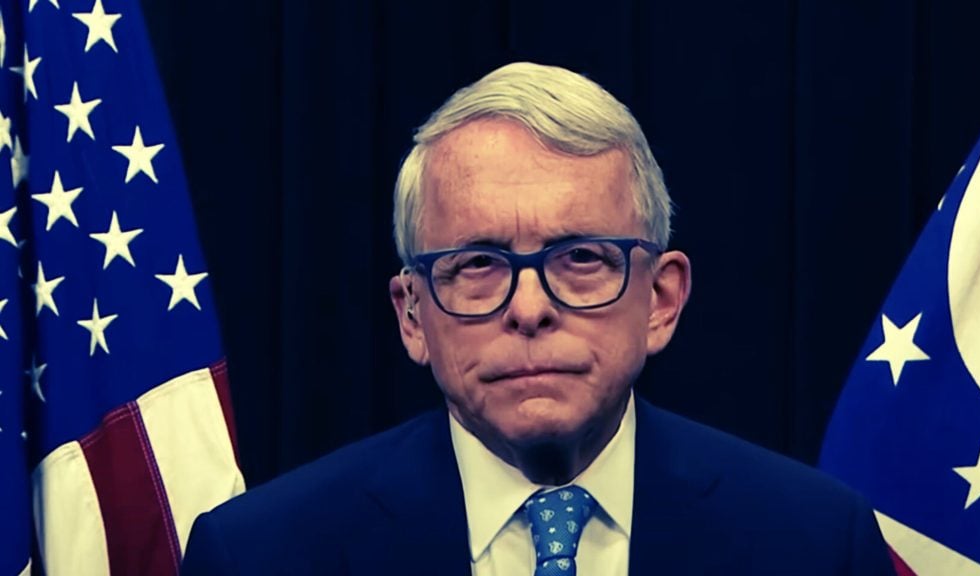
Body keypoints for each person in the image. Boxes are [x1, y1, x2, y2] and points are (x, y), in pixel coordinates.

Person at [181, 62, 896, 575]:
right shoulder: (257, 555)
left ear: (661, 299)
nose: (528, 309)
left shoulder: (817, 544)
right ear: (412, 315)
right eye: (478, 264)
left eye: (580, 257)